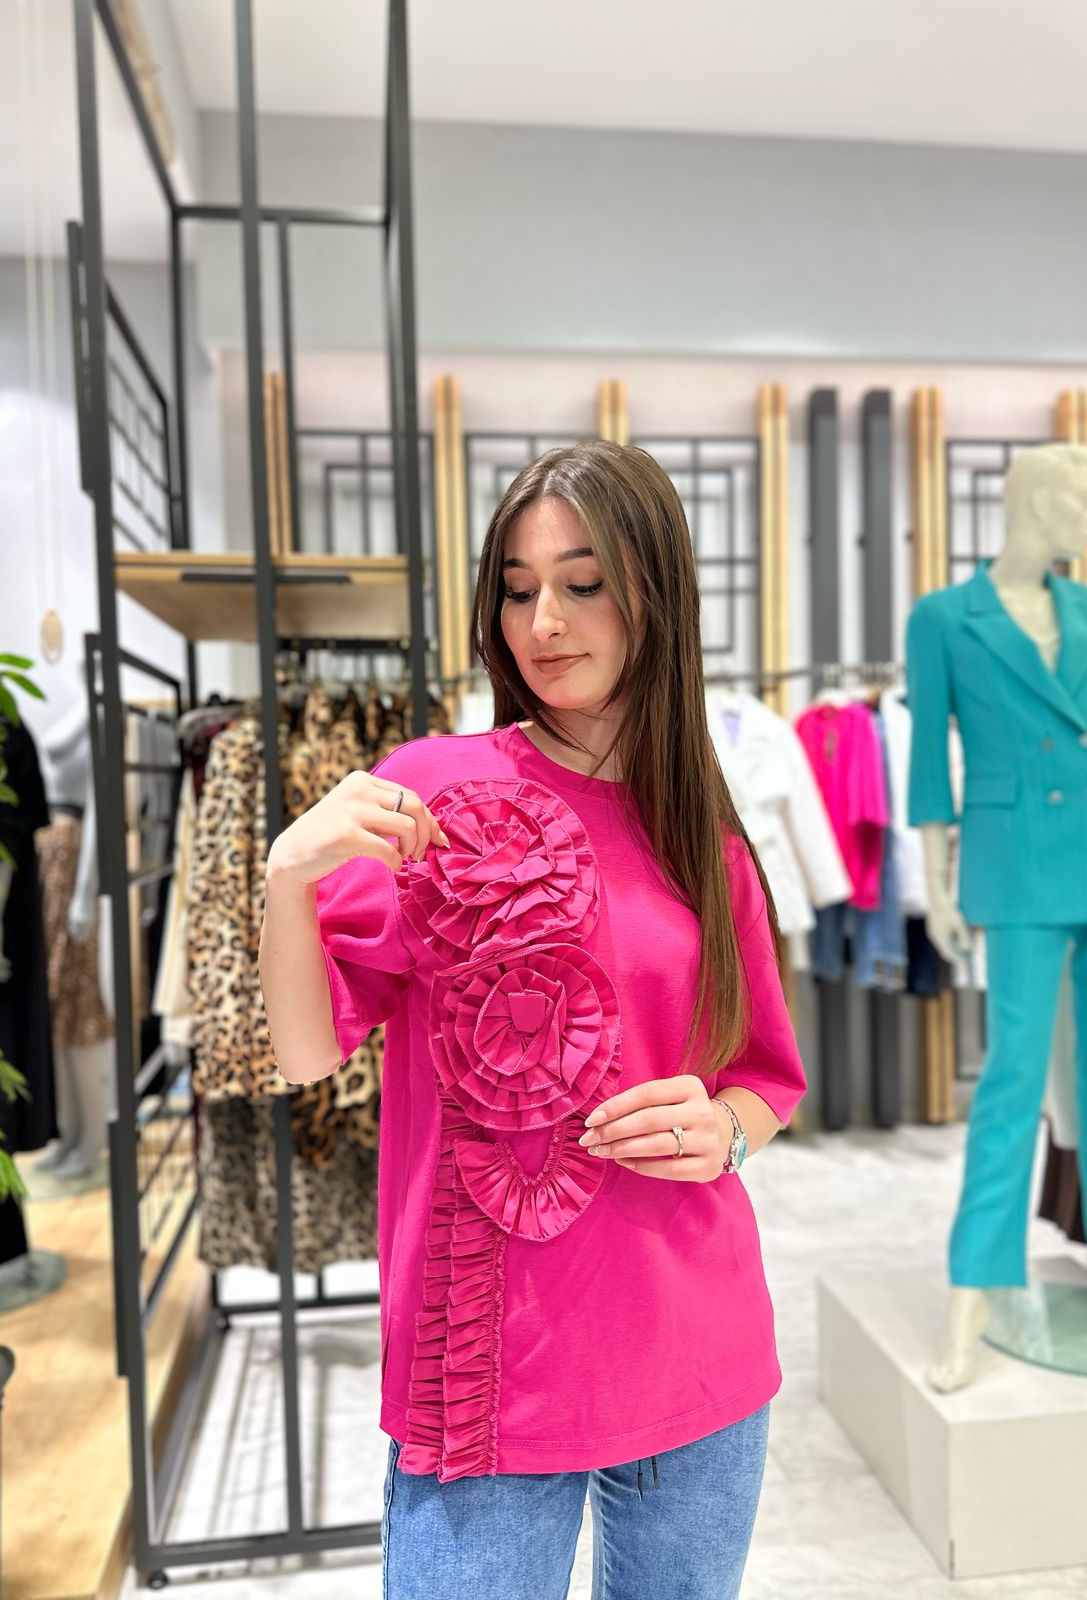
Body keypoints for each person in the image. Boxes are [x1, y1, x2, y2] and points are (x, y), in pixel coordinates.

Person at [260, 439, 806, 1600]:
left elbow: (765, 1078)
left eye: (582, 582)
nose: (543, 622)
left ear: (656, 594)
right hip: (492, 1376)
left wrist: (727, 1131)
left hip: (697, 1348)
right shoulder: (435, 790)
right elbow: (306, 1053)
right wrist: (284, 881)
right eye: (517, 589)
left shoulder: (703, 833)